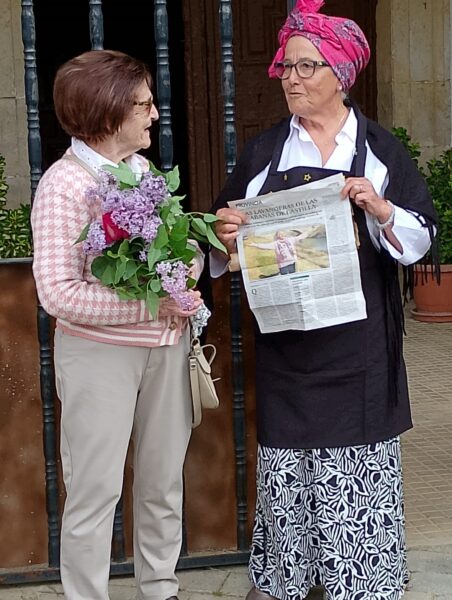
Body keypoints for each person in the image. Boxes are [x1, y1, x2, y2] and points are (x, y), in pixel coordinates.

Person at [210, 1, 437, 598]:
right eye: (286, 67)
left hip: (359, 345)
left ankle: (361, 581)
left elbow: (423, 241)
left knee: (356, 463)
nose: (290, 77)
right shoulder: (264, 154)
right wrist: (224, 231)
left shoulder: (381, 150)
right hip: (287, 343)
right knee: (289, 464)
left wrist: (382, 209)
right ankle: (287, 580)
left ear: (341, 73)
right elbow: (219, 231)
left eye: (305, 67)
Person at [31, 50, 204, 600]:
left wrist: (189, 266)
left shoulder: (143, 171)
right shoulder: (63, 186)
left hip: (166, 349)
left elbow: (172, 252)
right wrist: (154, 307)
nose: (155, 114)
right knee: (94, 491)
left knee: (162, 483)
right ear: (108, 112)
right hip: (98, 358)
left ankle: (161, 589)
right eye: (143, 104)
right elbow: (57, 292)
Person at [248, 229, 315, 275]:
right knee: (285, 277)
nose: (281, 235)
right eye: (280, 234)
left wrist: (307, 233)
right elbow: (265, 246)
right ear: (277, 236)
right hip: (282, 265)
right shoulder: (275, 244)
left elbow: (300, 237)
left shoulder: (290, 240)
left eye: (282, 233)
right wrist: (255, 245)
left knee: (292, 275)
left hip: (292, 262)